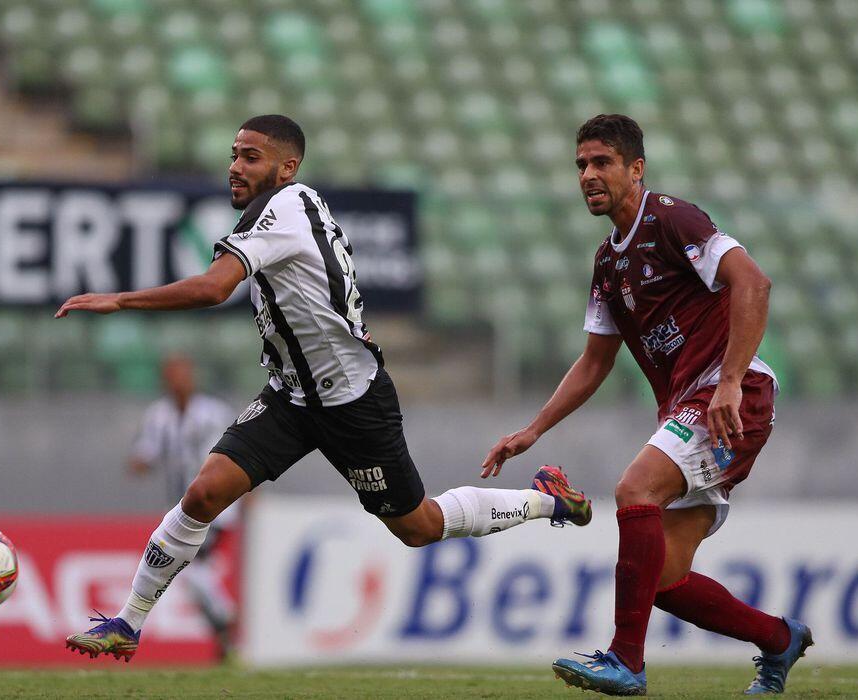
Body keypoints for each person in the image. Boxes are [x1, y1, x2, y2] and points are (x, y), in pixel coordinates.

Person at [56, 114, 594, 663]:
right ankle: (128, 622)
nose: (235, 167)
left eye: (251, 157)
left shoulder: (285, 209)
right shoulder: (274, 211)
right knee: (203, 493)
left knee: (419, 526)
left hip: (351, 402)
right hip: (290, 397)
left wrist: (120, 300)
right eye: (234, 154)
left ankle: (543, 500)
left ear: (287, 168)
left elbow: (214, 288)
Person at [481, 114, 811, 696]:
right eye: (581, 164)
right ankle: (779, 639)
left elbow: (753, 283)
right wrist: (533, 431)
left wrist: (731, 380)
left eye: (601, 162)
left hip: (731, 396)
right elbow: (594, 363)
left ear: (636, 169)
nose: (587, 174)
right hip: (693, 405)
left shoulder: (672, 219)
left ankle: (626, 661)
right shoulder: (608, 264)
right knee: (659, 578)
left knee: (635, 491)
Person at [127, 353, 237, 658]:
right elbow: (146, 453)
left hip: (217, 504)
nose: (178, 380)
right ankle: (223, 625)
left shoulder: (213, 413)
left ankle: (225, 618)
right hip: (182, 510)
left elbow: (236, 456)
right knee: (189, 572)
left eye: (183, 374)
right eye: (172, 375)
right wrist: (139, 463)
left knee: (192, 566)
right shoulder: (159, 415)